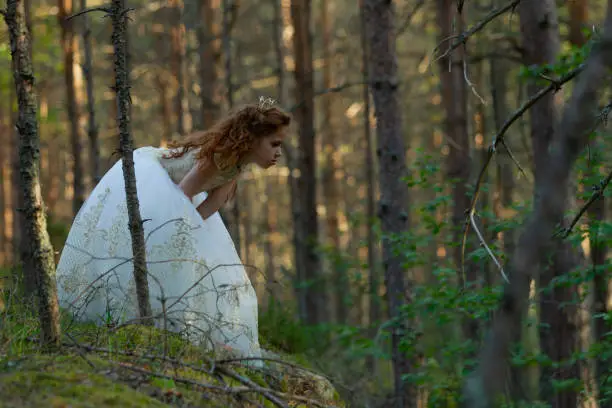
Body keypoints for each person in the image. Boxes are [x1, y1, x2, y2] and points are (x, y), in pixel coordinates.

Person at [55, 100, 290, 362]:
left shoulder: (236, 163)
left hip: (179, 200)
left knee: (206, 262)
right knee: (159, 255)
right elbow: (182, 194)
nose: (279, 152)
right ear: (253, 138)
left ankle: (182, 327)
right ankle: (132, 318)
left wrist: (197, 230)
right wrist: (182, 232)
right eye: (274, 144)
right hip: (157, 186)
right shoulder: (219, 156)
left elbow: (215, 201)